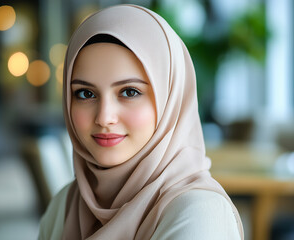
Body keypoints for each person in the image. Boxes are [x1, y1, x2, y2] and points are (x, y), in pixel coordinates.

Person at [39, 4, 244, 240]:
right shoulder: (66, 203)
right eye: (86, 94)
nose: (104, 118)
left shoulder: (200, 214)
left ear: (170, 99)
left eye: (129, 92)